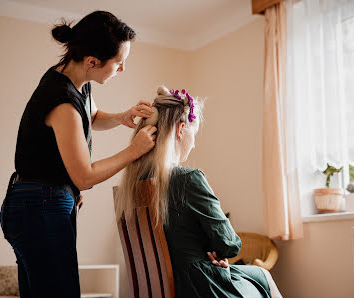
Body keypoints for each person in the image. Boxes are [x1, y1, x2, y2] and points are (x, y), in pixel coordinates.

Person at [0, 11, 157, 298]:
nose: (122, 70)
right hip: (38, 207)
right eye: (119, 63)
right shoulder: (62, 101)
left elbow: (92, 116)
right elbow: (84, 176)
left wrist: (123, 116)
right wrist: (134, 151)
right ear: (93, 62)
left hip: (36, 204)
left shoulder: (74, 82)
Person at [116, 86, 283, 297]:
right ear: (180, 129)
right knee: (262, 275)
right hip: (199, 287)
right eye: (193, 135)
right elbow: (230, 244)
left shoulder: (132, 187)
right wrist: (214, 250)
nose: (193, 144)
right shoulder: (187, 179)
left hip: (171, 287)